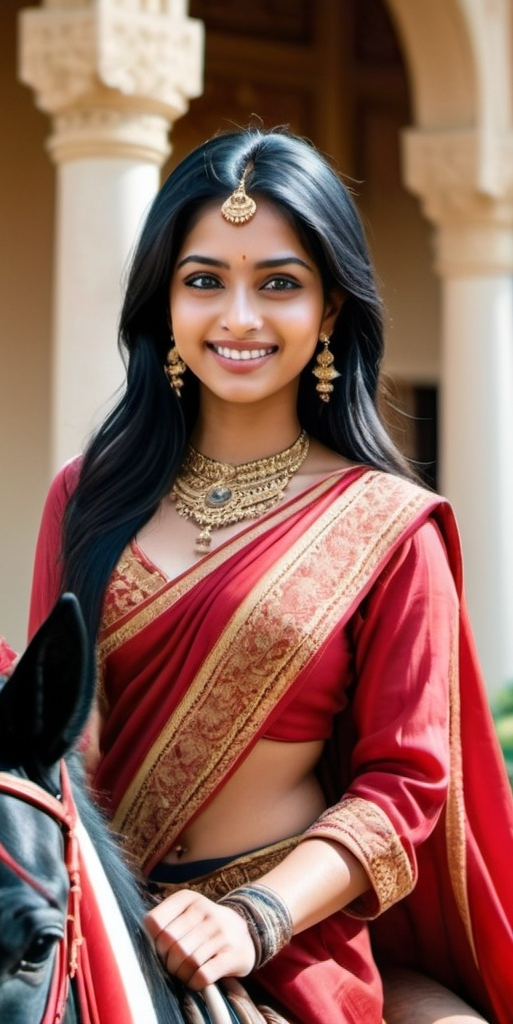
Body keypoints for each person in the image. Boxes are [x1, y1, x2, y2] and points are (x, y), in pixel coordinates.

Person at [28, 127, 513, 1024]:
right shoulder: (85, 498)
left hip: (285, 941)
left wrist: (254, 918)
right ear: (165, 302)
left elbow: (405, 787)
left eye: (279, 284)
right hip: (96, 925)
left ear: (329, 310)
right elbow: (50, 740)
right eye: (204, 279)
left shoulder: (389, 528)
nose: (239, 317)